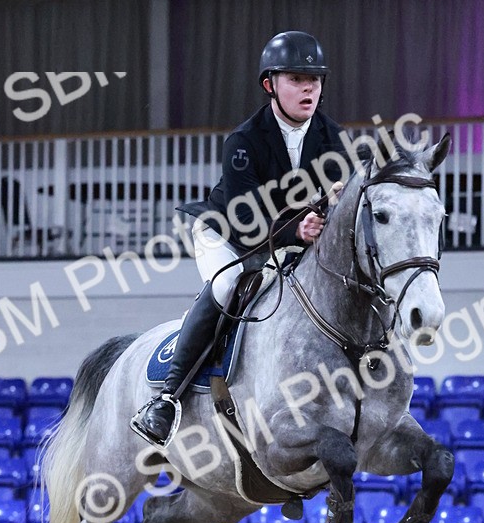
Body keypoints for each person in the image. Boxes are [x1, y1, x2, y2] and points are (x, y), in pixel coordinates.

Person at [131, 30, 350, 446]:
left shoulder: (334, 138)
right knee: (228, 285)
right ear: (270, 85)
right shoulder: (244, 140)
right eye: (296, 80)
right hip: (228, 235)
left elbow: (341, 199)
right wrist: (297, 230)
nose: (308, 88)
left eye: (314, 81)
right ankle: (166, 399)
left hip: (292, 241)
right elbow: (246, 218)